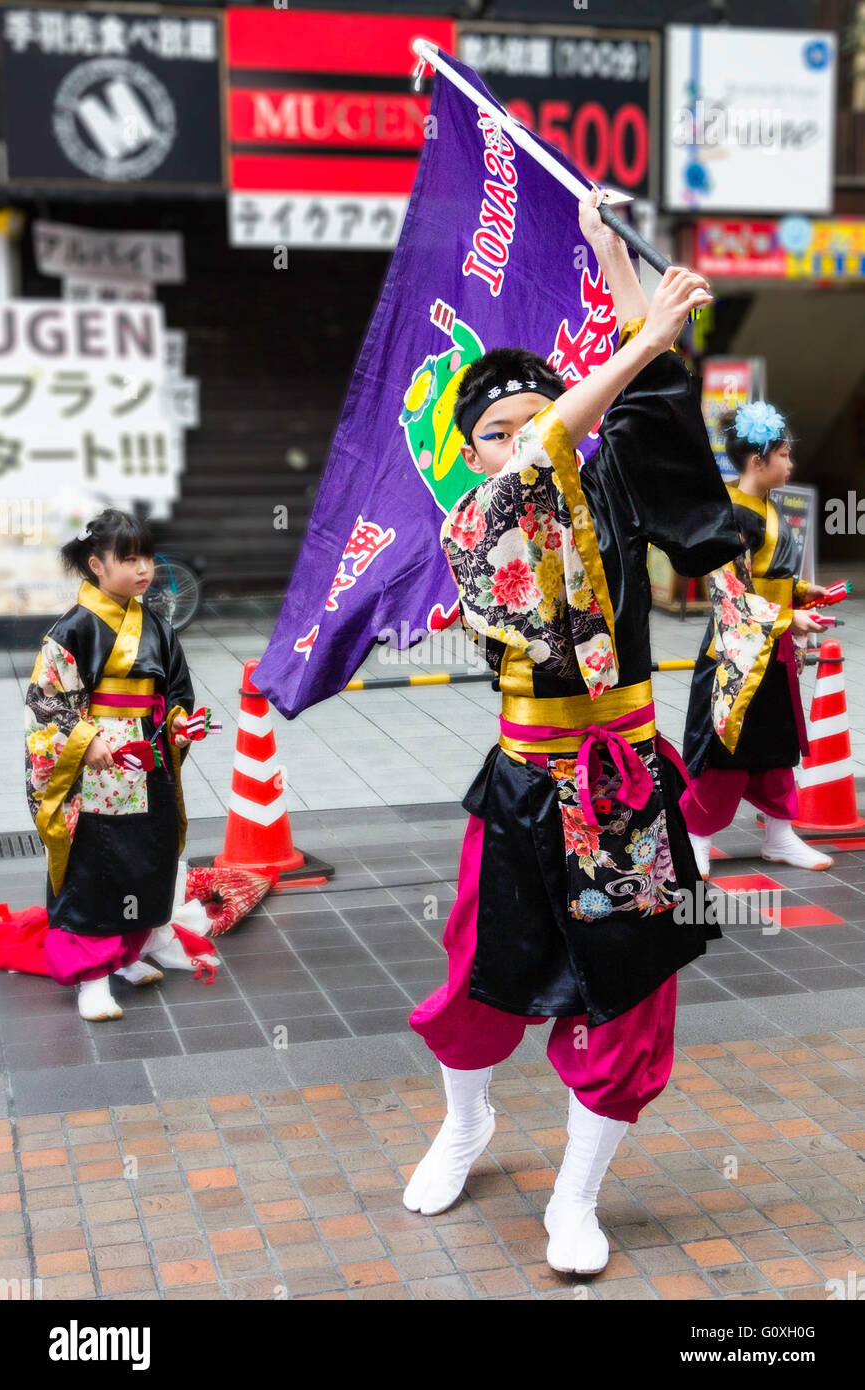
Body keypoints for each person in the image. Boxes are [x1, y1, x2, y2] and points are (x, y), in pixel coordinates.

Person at [404, 190, 745, 1275]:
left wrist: (612, 256)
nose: (514, 442)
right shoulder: (474, 518)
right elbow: (556, 436)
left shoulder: (602, 485)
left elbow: (647, 401)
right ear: (471, 453)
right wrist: (639, 331)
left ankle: (573, 1196)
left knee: (632, 992)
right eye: (490, 434)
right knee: (475, 982)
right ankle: (465, 1124)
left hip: (625, 787)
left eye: (529, 421)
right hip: (522, 782)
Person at [24, 508, 208, 1022]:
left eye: (146, 556)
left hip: (144, 761)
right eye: (128, 558)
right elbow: (47, 701)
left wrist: (178, 724)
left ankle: (126, 955)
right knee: (93, 867)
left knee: (143, 856)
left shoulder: (157, 626)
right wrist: (84, 738)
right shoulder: (73, 629)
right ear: (95, 565)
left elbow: (176, 691)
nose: (143, 568)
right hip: (93, 764)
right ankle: (91, 978)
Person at [680, 404, 832, 874]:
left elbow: (770, 576)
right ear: (758, 461)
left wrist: (805, 593)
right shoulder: (733, 515)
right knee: (725, 751)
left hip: (772, 649)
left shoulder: (766, 507)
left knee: (776, 746)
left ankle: (781, 836)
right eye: (785, 455)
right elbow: (729, 594)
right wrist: (789, 620)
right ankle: (696, 839)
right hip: (734, 656)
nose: (791, 464)